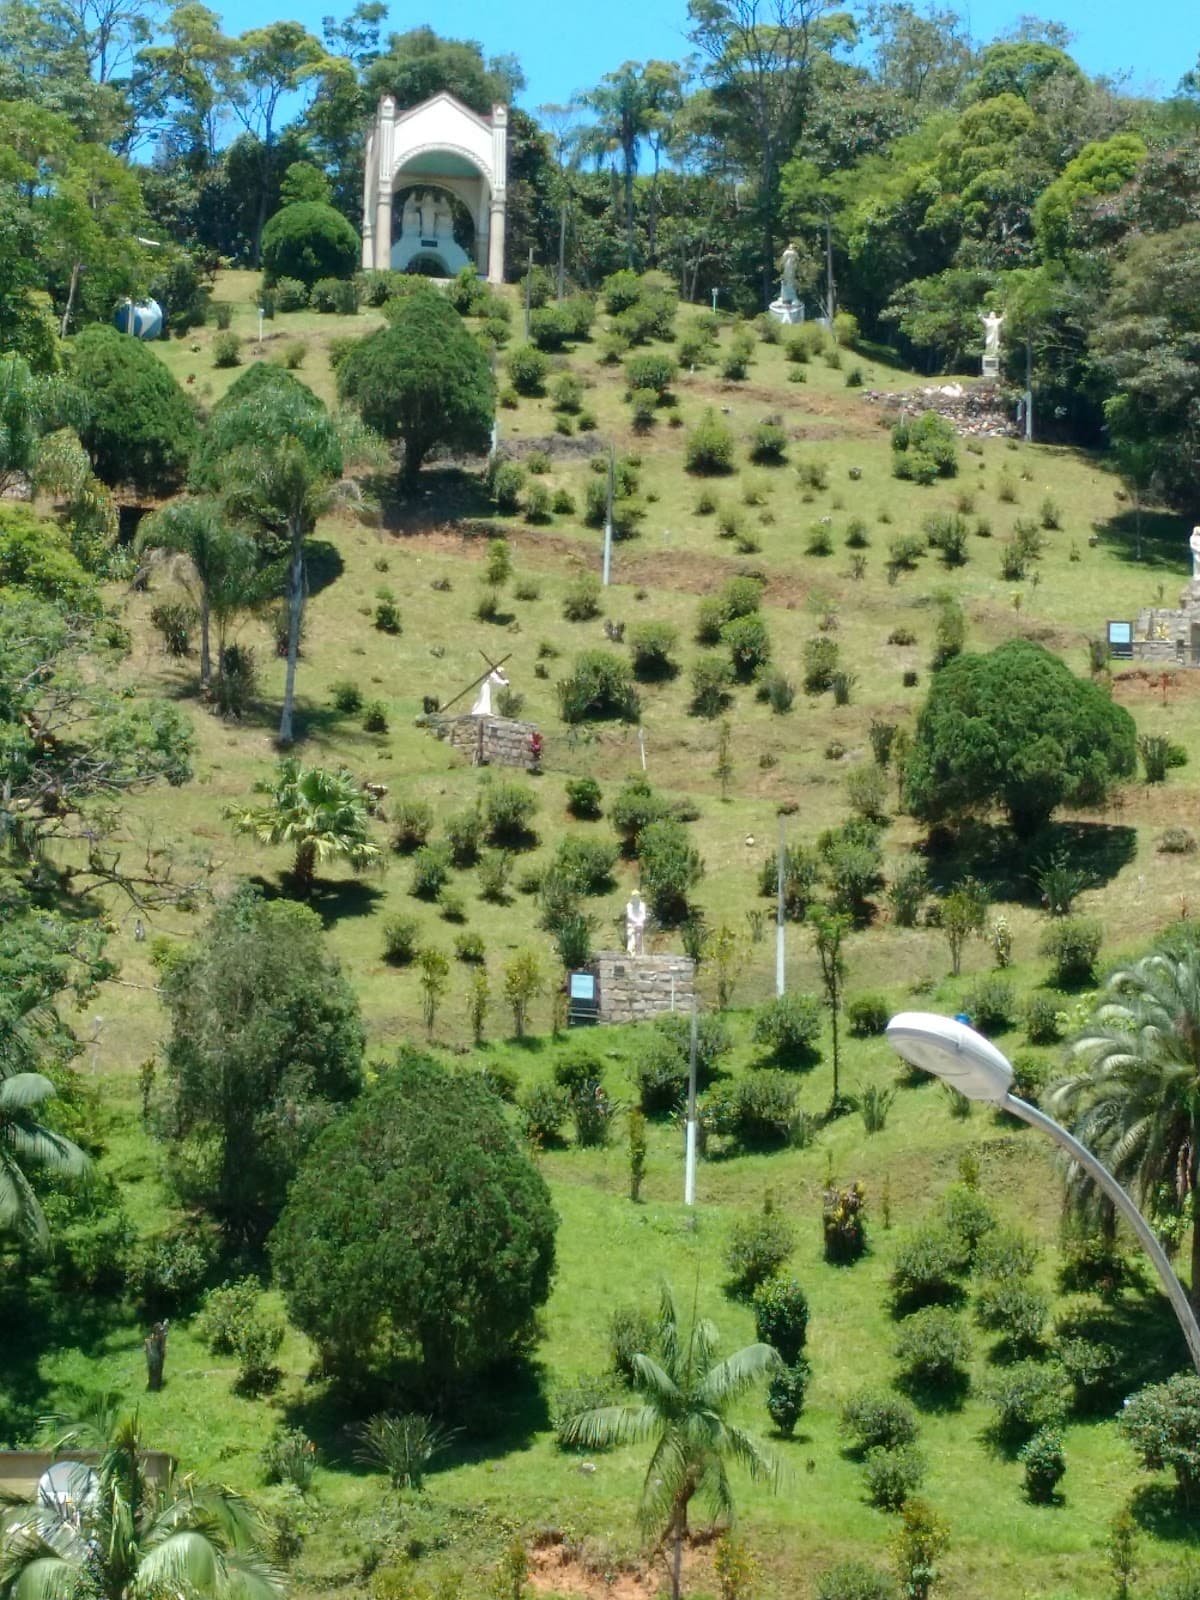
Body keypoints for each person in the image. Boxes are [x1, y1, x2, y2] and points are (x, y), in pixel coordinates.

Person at [625, 891, 647, 957]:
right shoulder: (629, 905)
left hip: (639, 923)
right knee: (631, 939)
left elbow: (643, 915)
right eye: (634, 897)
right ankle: (630, 953)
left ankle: (639, 953)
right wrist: (636, 921)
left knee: (639, 938)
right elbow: (629, 915)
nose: (635, 898)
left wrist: (639, 921)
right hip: (631, 924)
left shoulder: (642, 905)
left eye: (637, 896)